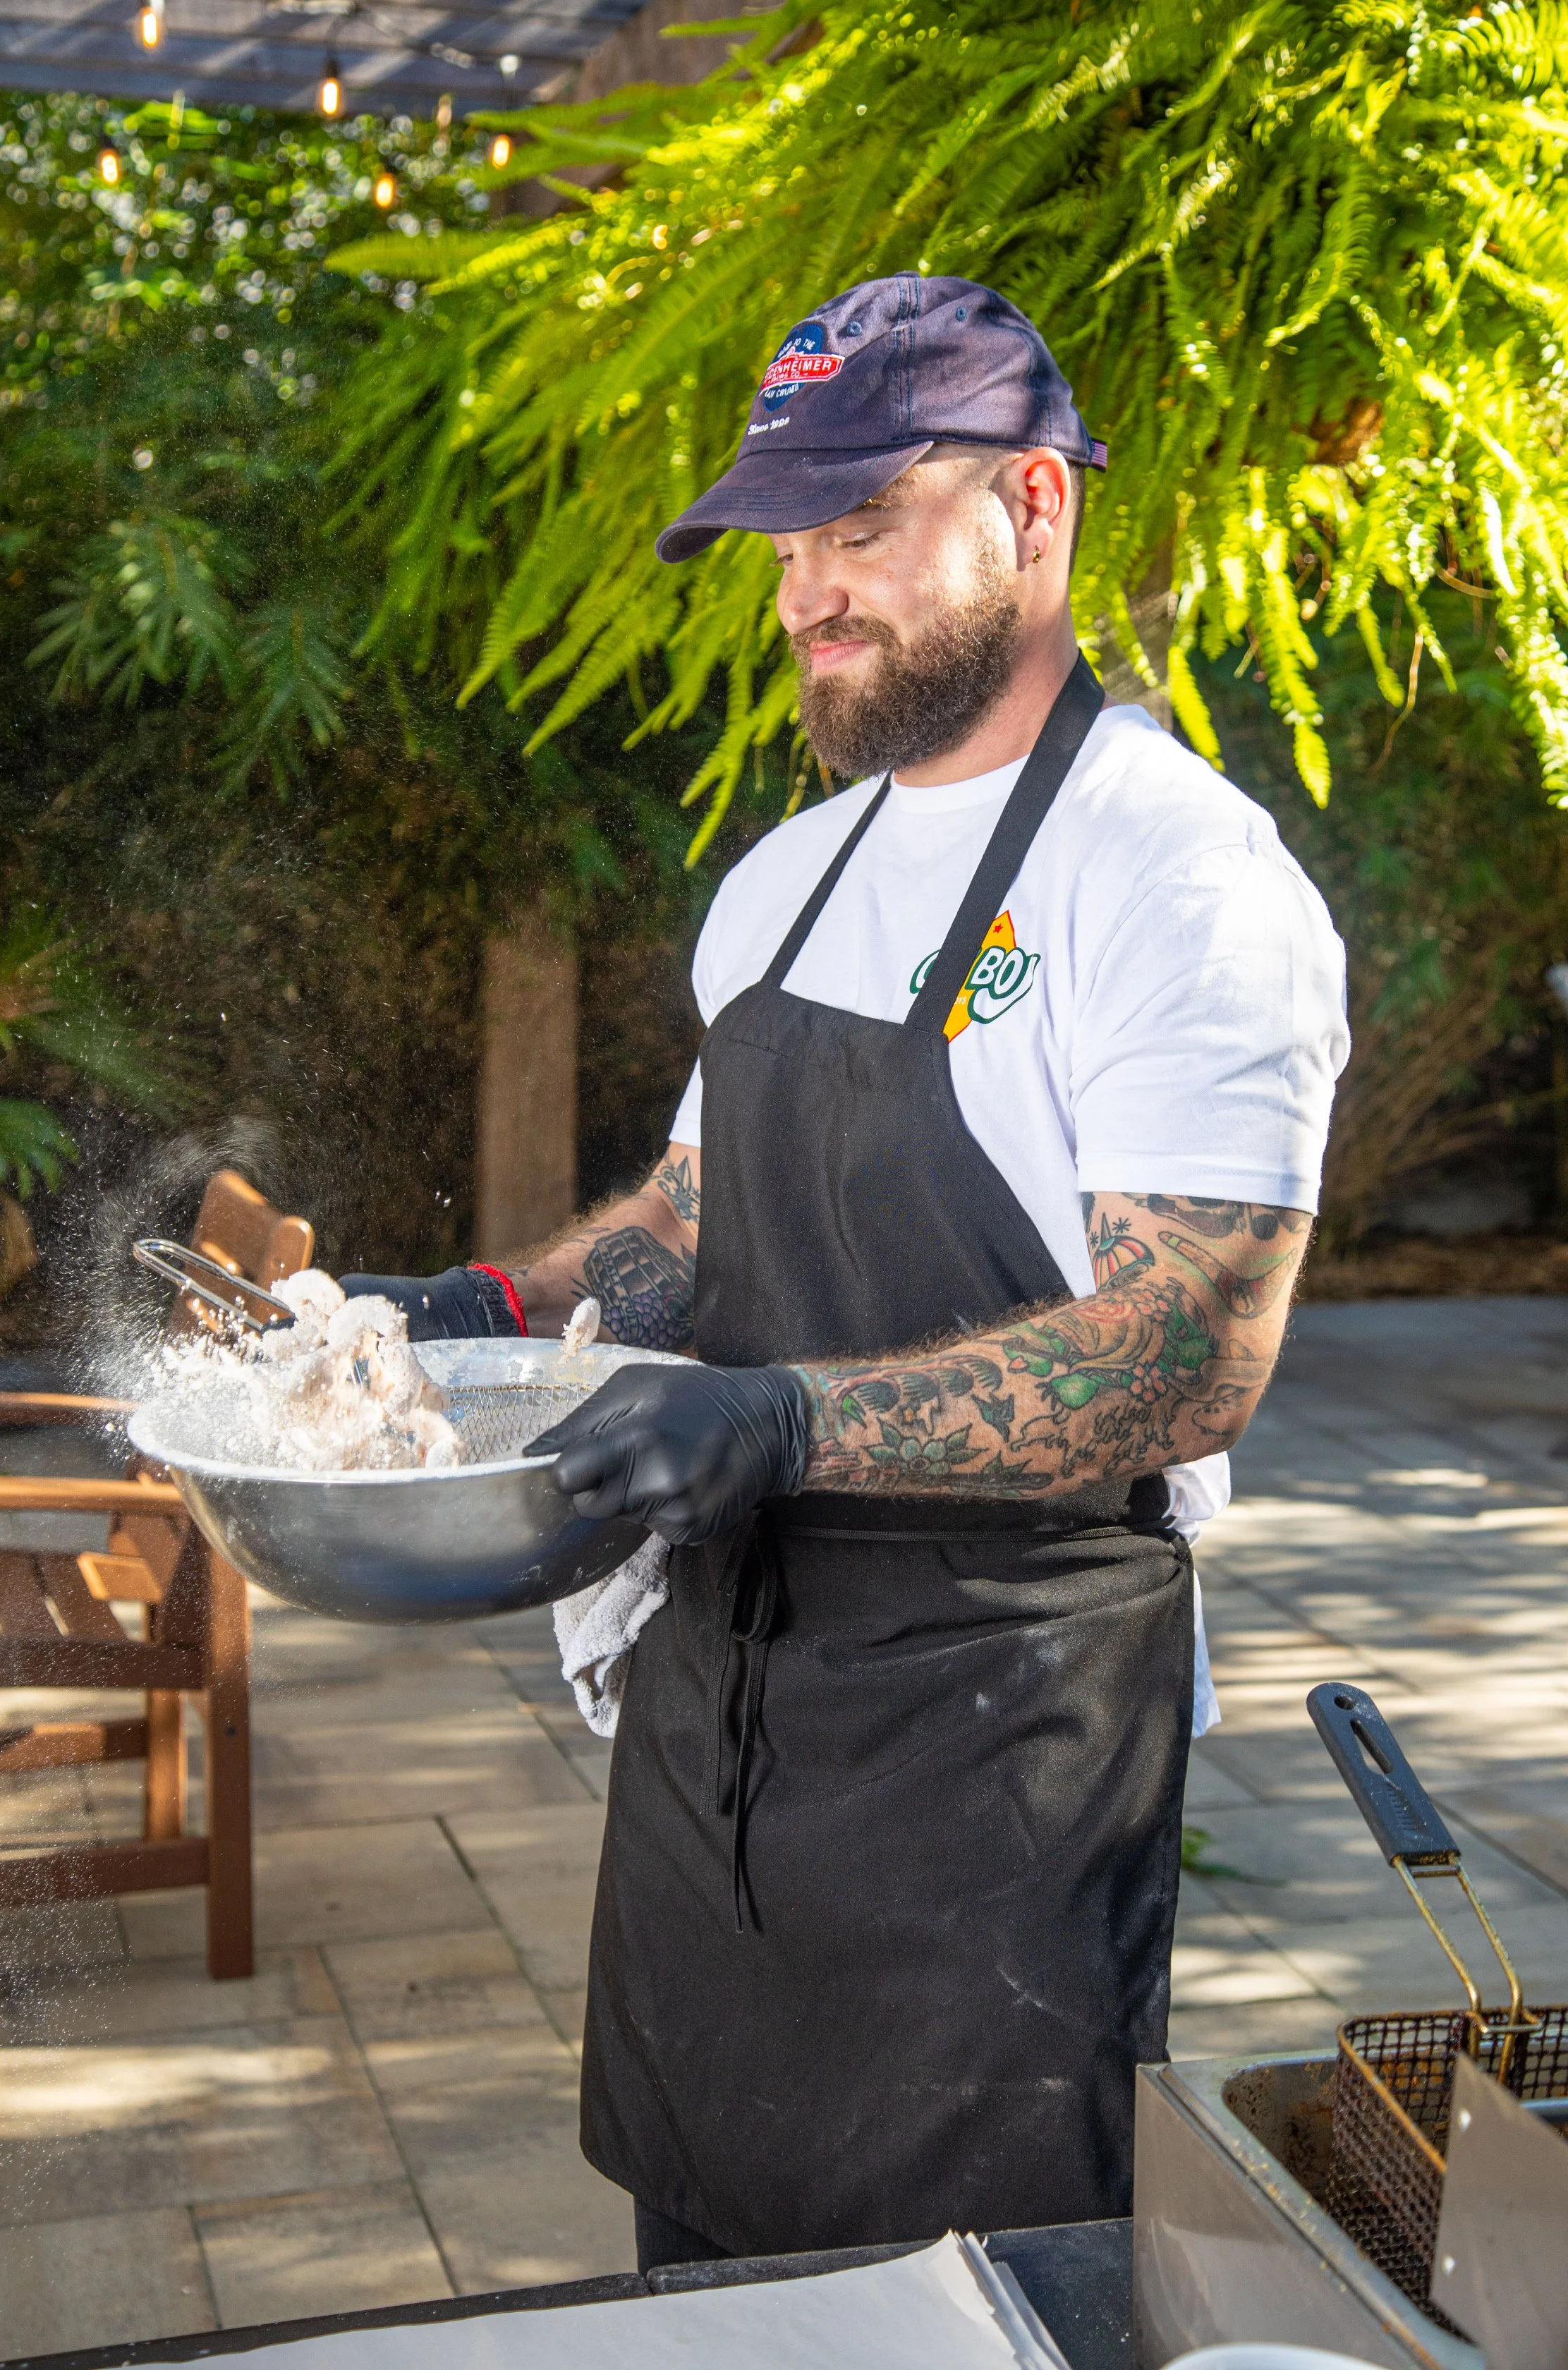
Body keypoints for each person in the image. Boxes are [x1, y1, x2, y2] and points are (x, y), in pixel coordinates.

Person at [346, 274, 1349, 2272]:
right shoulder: (782, 883)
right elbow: (698, 1218)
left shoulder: (1178, 881)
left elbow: (1182, 1359)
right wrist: (486, 1319)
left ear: (1040, 511)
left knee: (948, 2300)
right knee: (698, 2265)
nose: (811, 591)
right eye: (789, 542)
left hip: (996, 1756)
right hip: (721, 1715)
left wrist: (779, 1419)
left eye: (864, 524)